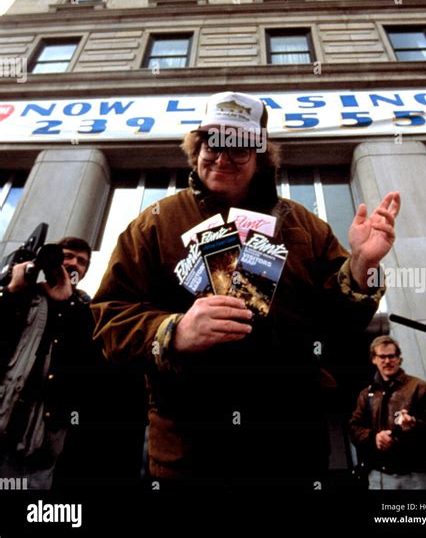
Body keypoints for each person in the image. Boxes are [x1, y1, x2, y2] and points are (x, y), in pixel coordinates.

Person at [92, 91, 401, 491]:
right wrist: (173, 331)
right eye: (211, 143)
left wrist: (363, 265)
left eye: (239, 147)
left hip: (292, 448)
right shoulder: (153, 223)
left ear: (261, 157)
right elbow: (107, 317)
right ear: (196, 148)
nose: (222, 157)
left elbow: (340, 322)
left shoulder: (302, 225)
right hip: (189, 452)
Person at [0, 237, 94, 489]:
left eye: (82, 261)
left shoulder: (87, 311)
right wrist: (10, 291)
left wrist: (69, 302)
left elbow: (88, 366)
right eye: (67, 256)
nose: (74, 264)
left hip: (39, 444)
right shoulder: (22, 294)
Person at [349, 335, 426, 490]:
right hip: (379, 476)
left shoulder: (419, 388)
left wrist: (415, 427)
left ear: (399, 359)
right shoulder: (366, 394)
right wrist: (374, 438)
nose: (387, 361)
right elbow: (354, 429)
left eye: (391, 356)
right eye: (382, 356)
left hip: (416, 476)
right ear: (373, 359)